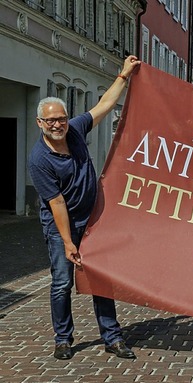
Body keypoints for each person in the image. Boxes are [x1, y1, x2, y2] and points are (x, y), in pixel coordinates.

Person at [28, 55, 141, 360]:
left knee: (101, 278)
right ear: (40, 123)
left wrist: (123, 76)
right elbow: (56, 202)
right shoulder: (40, 160)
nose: (57, 124)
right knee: (62, 282)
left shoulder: (75, 131)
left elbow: (103, 107)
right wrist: (67, 242)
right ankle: (63, 338)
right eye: (50, 120)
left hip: (92, 220)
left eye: (61, 118)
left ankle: (112, 336)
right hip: (60, 225)